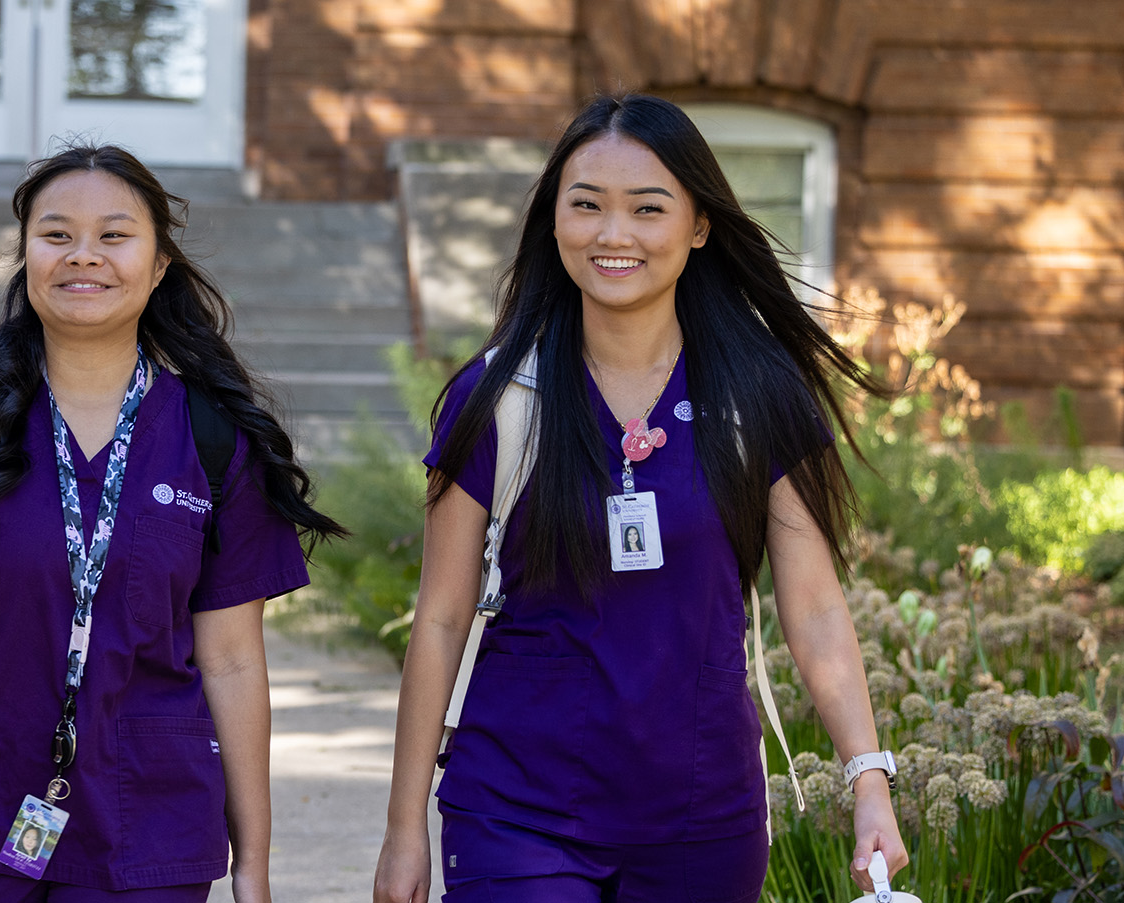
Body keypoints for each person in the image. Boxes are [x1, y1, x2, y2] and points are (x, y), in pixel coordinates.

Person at [370, 94, 908, 903]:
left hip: (702, 814)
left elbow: (816, 607)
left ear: (698, 226)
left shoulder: (757, 396)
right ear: (555, 221)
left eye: (647, 209)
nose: (612, 234)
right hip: (517, 808)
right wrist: (404, 823)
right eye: (586, 205)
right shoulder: (498, 398)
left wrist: (869, 778)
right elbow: (442, 618)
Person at [0, 144, 346, 903]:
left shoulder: (211, 440)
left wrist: (255, 859)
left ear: (159, 264)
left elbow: (235, 662)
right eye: (56, 234)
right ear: (25, 256)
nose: (85, 256)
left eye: (115, 235)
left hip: (152, 824)